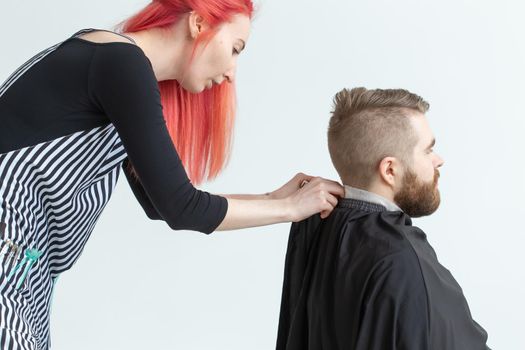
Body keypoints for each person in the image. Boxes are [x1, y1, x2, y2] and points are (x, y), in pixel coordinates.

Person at [0, 1, 344, 348]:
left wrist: (275, 198)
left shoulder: (115, 64)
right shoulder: (121, 63)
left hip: (26, 270)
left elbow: (159, 204)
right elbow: (181, 207)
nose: (232, 72)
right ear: (198, 23)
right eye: (236, 49)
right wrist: (289, 209)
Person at [276, 87, 490, 349]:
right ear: (390, 170)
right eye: (427, 150)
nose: (439, 160)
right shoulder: (401, 260)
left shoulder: (316, 226)